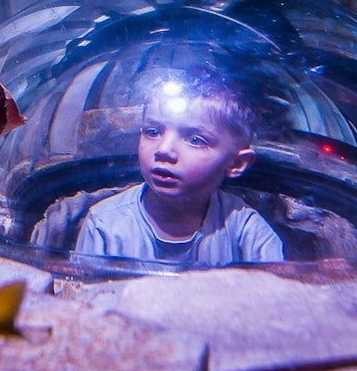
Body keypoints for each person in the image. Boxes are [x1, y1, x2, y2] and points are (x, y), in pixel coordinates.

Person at [74, 71, 284, 265]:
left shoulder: (248, 232)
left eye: (195, 139)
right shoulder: (104, 225)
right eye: (153, 132)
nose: (163, 150)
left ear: (236, 164)